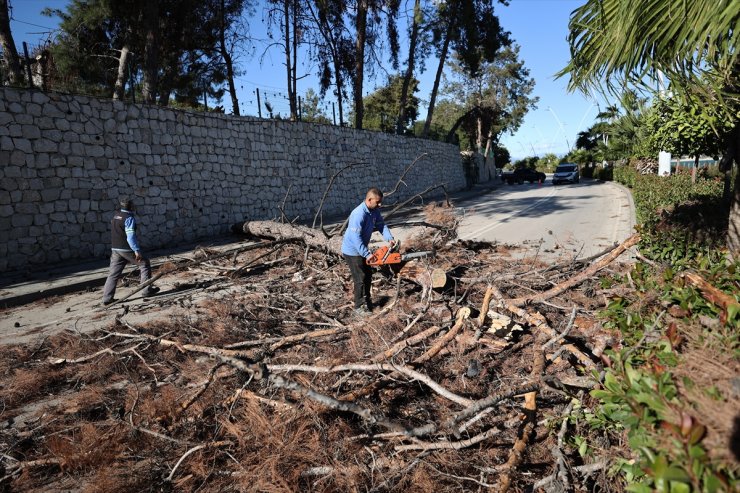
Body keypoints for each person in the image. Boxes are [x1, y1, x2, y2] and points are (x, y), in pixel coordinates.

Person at [341, 188, 395, 315]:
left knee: (368, 275)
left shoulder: (374, 210)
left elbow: (381, 224)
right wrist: (367, 254)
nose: (380, 205)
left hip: (361, 248)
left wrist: (390, 238)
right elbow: (355, 237)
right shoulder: (359, 214)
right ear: (369, 200)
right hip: (352, 250)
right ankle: (359, 307)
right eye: (378, 202)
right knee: (360, 277)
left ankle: (367, 301)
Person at [102, 197, 159, 305]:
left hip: (115, 249)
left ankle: (107, 298)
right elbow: (130, 236)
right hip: (126, 248)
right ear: (131, 206)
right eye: (133, 205)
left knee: (113, 274)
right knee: (144, 263)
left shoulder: (116, 216)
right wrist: (136, 250)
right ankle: (146, 290)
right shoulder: (129, 218)